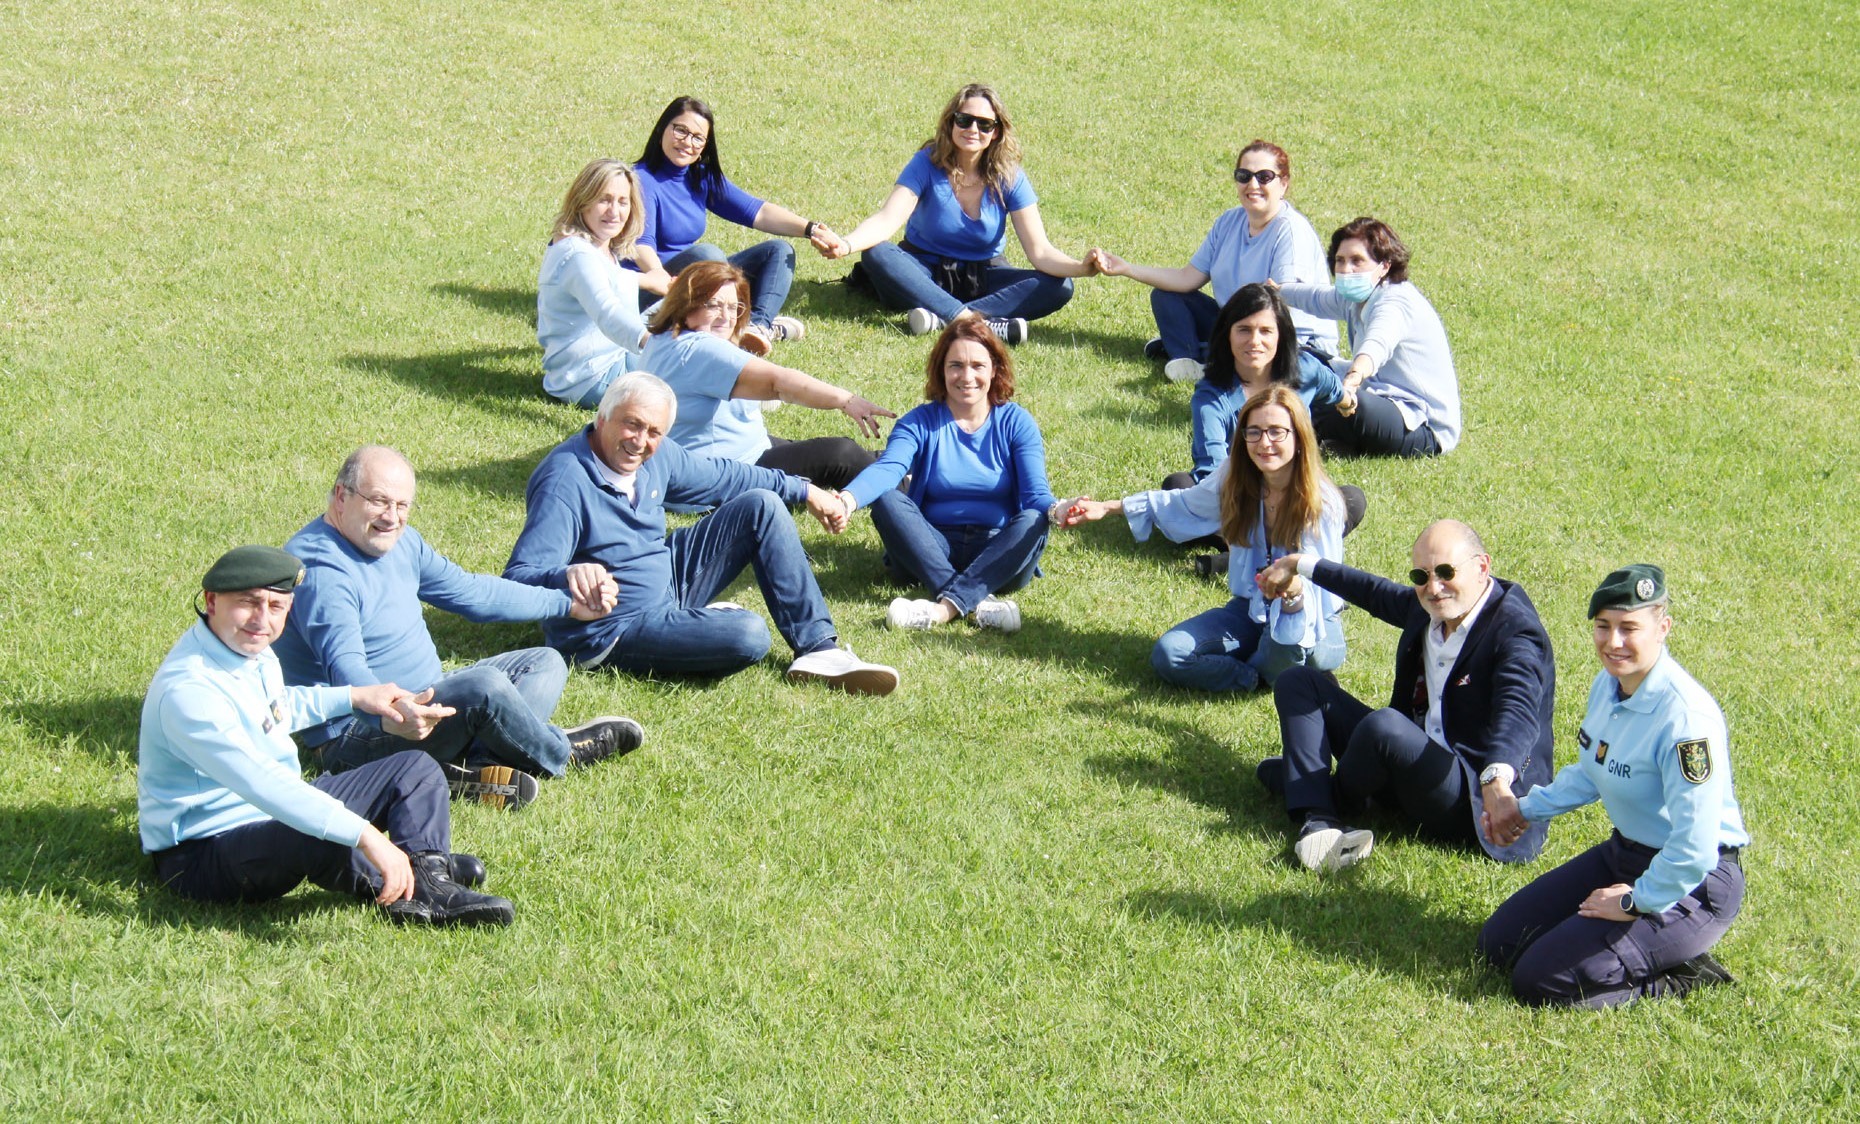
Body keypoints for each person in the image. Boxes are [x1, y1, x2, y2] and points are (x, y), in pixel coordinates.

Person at [140, 545, 514, 926]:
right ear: (211, 601)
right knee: (315, 832)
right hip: (204, 852)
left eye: (276, 606)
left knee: (415, 768)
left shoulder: (245, 648)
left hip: (269, 812)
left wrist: (355, 697)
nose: (262, 619)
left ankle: (429, 874)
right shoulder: (189, 693)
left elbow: (276, 707)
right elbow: (263, 785)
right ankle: (408, 883)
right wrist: (366, 835)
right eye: (248, 602)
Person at [275, 446, 645, 811]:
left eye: (402, 505)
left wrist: (567, 604)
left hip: (428, 696)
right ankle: (562, 752)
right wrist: (394, 713)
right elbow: (347, 669)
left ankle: (477, 765)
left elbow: (473, 593)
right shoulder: (323, 572)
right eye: (379, 501)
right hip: (359, 735)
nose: (392, 517)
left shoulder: (401, 543)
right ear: (342, 496)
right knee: (486, 687)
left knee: (545, 662)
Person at [504, 372, 900, 694]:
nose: (640, 442)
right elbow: (519, 578)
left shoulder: (656, 457)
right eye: (632, 424)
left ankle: (819, 649)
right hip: (613, 627)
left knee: (761, 505)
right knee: (748, 634)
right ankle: (700, 625)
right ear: (602, 418)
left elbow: (723, 476)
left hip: (667, 577)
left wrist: (804, 490)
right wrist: (569, 575)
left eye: (653, 432)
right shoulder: (565, 481)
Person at [1477, 565, 1747, 1007]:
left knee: (1538, 981)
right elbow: (1593, 771)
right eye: (1603, 626)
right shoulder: (1609, 686)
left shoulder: (1686, 722)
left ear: (1663, 628)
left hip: (1695, 883)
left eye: (1629, 628)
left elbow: (1695, 849)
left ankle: (1682, 974)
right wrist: (1522, 809)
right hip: (1626, 854)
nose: (1613, 642)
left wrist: (1634, 903)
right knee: (1498, 945)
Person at [1253, 519, 1555, 871]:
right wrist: (1298, 563)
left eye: (1446, 572)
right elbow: (1371, 591)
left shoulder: (1516, 632)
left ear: (1482, 567)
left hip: (1472, 795)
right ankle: (1318, 818)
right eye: (1421, 576)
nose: (1434, 587)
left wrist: (1496, 781)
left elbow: (1517, 711)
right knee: (1298, 682)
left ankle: (1314, 791)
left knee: (1385, 727)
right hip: (1410, 761)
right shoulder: (1427, 606)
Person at [1065, 387, 1346, 691]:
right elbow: (1184, 504)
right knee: (1170, 653)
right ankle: (1257, 676)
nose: (1265, 443)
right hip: (1249, 610)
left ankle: (1282, 667)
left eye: (1277, 431)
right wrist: (1107, 508)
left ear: (1299, 438)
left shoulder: (1322, 503)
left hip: (1312, 619)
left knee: (1288, 643)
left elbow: (1321, 588)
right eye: (1254, 432)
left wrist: (1292, 592)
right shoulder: (1236, 476)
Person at [835, 316, 1077, 633]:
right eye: (956, 366)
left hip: (998, 549)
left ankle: (943, 609)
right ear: (941, 370)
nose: (967, 376)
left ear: (994, 369)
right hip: (930, 547)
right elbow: (888, 469)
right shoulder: (918, 422)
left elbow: (1036, 496)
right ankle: (977, 602)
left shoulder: (1016, 422)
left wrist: (1059, 508)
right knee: (888, 500)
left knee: (1035, 518)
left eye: (978, 366)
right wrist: (846, 501)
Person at [833, 83, 1094, 345]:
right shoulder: (926, 162)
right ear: (951, 123)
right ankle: (972, 320)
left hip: (982, 277)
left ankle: (941, 319)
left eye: (984, 124)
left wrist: (1082, 268)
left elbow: (1040, 252)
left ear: (996, 132)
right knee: (877, 253)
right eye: (964, 120)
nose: (973, 129)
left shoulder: (1010, 177)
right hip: (922, 273)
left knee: (1060, 286)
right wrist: (846, 244)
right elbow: (887, 219)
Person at [1088, 139, 1337, 385]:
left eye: (1264, 177)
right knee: (1167, 296)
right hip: (1237, 326)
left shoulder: (1291, 232)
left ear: (1283, 184)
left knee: (1256, 351)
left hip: (1289, 341)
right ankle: (1189, 360)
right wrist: (1127, 268)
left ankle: (1198, 351)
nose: (1253, 184)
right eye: (1244, 176)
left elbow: (1283, 312)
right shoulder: (1229, 221)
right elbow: (1187, 278)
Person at [642, 260, 894, 490]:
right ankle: (905, 490)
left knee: (855, 455)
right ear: (687, 304)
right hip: (726, 474)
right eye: (713, 305)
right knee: (842, 453)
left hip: (730, 455)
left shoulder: (663, 337)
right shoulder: (700, 350)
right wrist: (846, 400)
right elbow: (778, 384)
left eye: (733, 307)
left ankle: (902, 464)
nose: (726, 317)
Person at [629, 96, 836, 354]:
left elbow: (757, 212)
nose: (687, 142)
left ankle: (756, 328)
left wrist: (812, 229)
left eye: (698, 138)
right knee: (708, 256)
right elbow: (640, 244)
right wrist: (660, 277)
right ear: (662, 128)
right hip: (653, 289)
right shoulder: (640, 180)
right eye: (680, 130)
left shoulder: (700, 177)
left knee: (778, 251)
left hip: (694, 283)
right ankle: (723, 327)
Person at [1274, 217, 1460, 457]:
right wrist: (1275, 292)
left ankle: (1292, 431)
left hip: (1421, 423)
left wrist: (1352, 380)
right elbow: (1316, 298)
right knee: (1296, 359)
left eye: (1357, 261)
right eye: (1340, 260)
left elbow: (1376, 346)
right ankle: (1333, 438)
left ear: (1384, 266)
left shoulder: (1395, 301)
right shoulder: (1356, 297)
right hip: (1375, 395)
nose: (1346, 269)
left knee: (1334, 400)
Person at [1160, 283, 1344, 489]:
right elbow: (1212, 472)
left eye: (1266, 331)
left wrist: (1348, 402)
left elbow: (1335, 389)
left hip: (1295, 490)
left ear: (1281, 335)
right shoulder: (1211, 398)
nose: (1255, 341)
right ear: (1227, 334)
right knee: (1178, 484)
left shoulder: (1305, 369)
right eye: (1244, 330)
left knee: (1352, 497)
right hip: (1237, 491)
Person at [537, 158, 652, 408]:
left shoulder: (600, 249)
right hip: (592, 376)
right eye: (604, 200)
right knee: (688, 378)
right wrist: (656, 344)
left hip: (618, 356)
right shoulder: (577, 254)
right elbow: (607, 312)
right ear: (583, 202)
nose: (614, 211)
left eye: (622, 202)